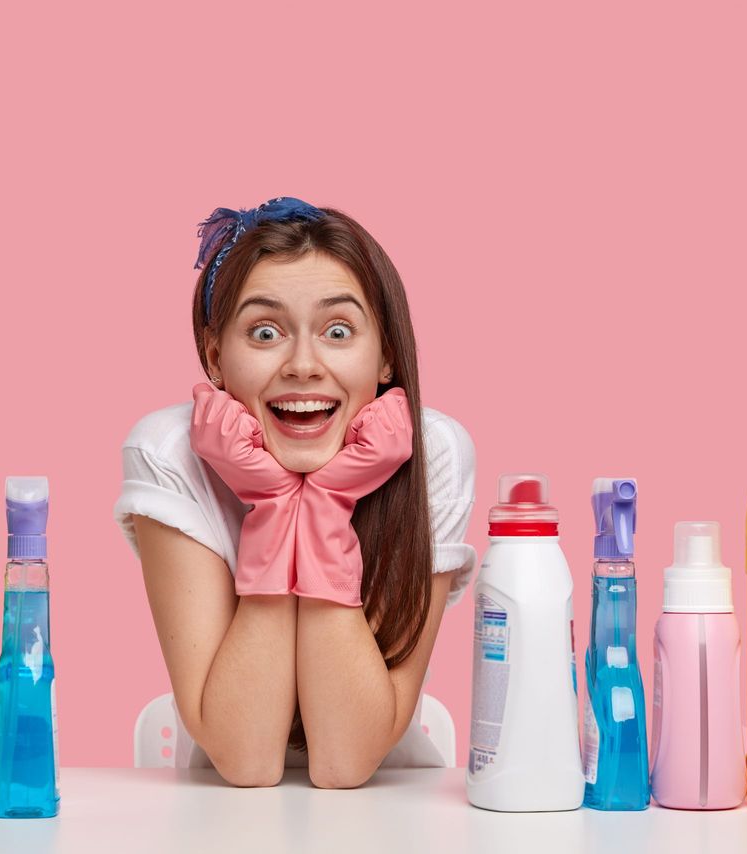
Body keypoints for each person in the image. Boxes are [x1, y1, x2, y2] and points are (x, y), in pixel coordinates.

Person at [114, 198, 476, 788]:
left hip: (393, 810)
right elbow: (246, 759)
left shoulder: (433, 451)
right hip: (223, 817)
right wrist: (280, 507)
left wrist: (324, 506)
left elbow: (347, 762)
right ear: (215, 357)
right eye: (264, 332)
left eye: (338, 331)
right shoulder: (167, 451)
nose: (303, 365)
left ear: (384, 354)